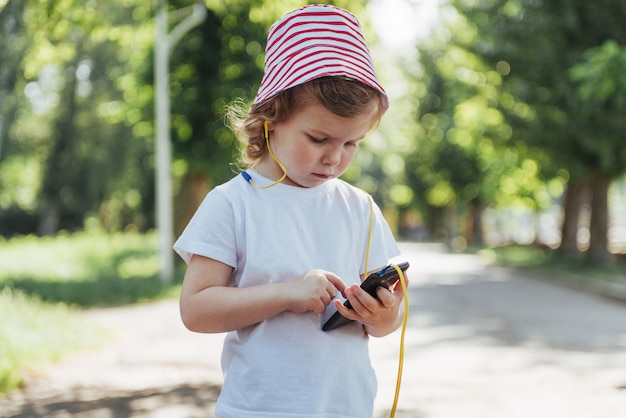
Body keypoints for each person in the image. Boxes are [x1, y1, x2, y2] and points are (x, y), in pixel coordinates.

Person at [174, 4, 407, 417]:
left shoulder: (360, 208)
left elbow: (388, 320)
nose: (335, 158)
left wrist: (384, 315)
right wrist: (286, 294)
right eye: (319, 138)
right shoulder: (233, 203)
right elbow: (195, 309)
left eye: (351, 143)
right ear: (272, 117)